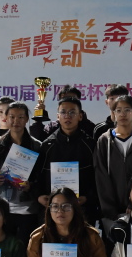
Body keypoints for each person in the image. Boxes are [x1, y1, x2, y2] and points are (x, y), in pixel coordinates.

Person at [32, 96, 101, 227]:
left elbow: (98, 177)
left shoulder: (90, 145)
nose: (67, 116)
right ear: (58, 116)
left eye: (72, 112)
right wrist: (39, 196)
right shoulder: (47, 146)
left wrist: (88, 197)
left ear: (80, 116)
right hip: (53, 211)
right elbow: (37, 177)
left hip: (83, 209)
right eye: (63, 112)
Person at [94, 95, 132, 235]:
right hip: (110, 212)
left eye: (127, 110)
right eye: (118, 110)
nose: (123, 114)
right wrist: (110, 209)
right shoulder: (104, 141)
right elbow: (101, 176)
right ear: (113, 114)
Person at [0, 102, 42, 245]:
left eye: (21, 117)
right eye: (12, 117)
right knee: (6, 249)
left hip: (28, 208)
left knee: (26, 248)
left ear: (27, 119)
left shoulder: (36, 146)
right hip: (4, 207)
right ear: (6, 118)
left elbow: (42, 178)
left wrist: (30, 186)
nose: (16, 121)